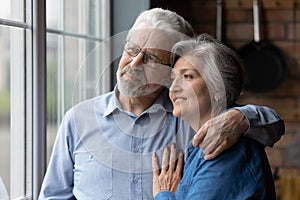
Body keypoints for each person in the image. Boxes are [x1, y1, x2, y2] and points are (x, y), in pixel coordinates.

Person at [39, 8, 283, 199]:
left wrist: (242, 118)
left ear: (170, 71)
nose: (133, 64)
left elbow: (273, 126)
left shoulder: (192, 115)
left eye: (152, 58)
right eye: (131, 50)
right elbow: (54, 196)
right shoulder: (78, 119)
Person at [152, 34, 276, 199]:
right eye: (173, 79)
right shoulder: (204, 142)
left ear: (218, 90)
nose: (173, 88)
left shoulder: (223, 145)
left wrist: (163, 194)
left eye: (187, 76)